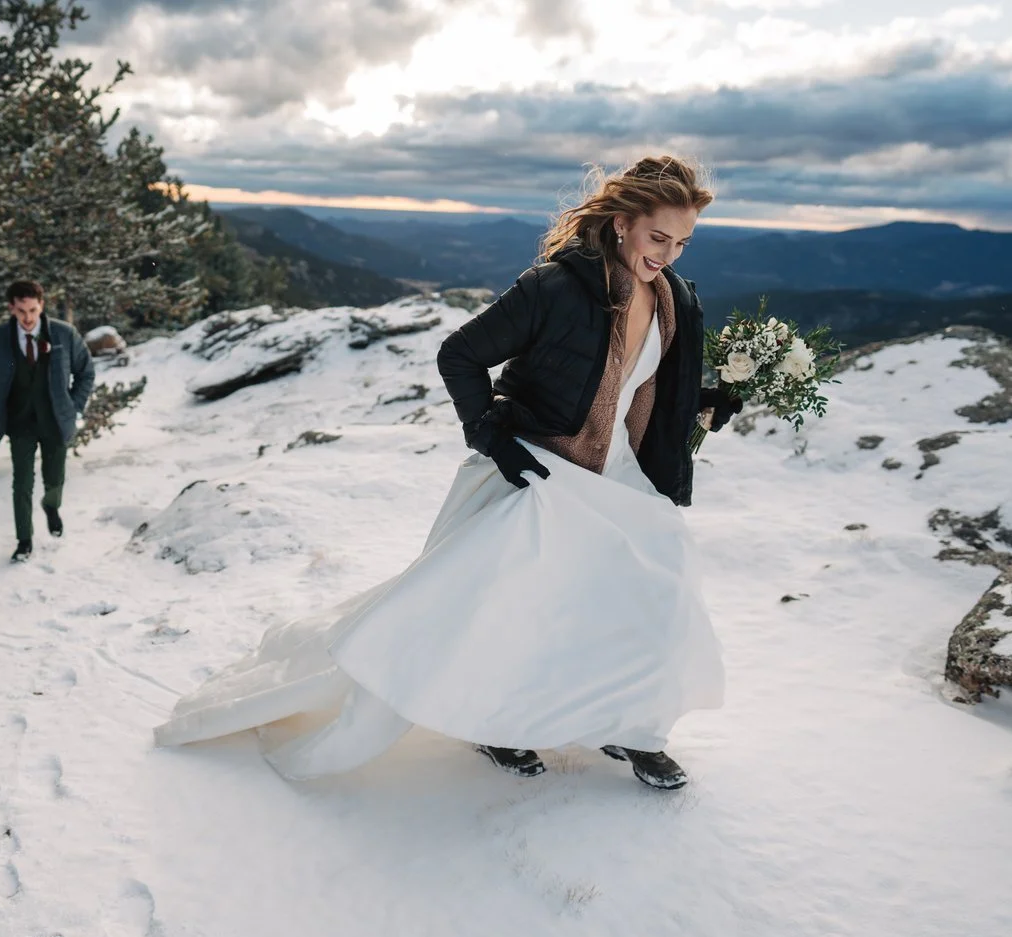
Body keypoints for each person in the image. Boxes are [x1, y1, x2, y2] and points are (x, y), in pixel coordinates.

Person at [154, 156, 742, 790]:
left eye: (683, 243)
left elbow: (643, 384)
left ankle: (634, 729)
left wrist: (707, 401)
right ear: (624, 223)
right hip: (541, 467)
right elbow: (458, 355)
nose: (670, 255)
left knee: (657, 588)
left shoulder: (676, 299)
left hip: (617, 472)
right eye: (660, 238)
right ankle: (495, 721)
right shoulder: (555, 287)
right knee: (507, 608)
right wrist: (493, 437)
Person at [0, 279, 96, 563]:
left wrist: (74, 407)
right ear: (11, 309)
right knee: (22, 483)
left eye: (32, 310)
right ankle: (24, 540)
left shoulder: (64, 335)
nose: (28, 318)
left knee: (54, 479)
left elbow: (86, 373)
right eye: (21, 311)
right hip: (19, 423)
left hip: (55, 420)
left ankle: (51, 505)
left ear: (42, 305)